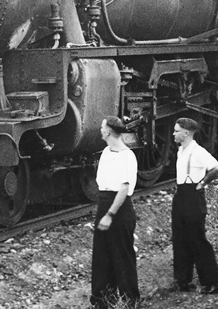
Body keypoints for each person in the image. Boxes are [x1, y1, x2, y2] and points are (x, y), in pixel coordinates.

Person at [171, 117, 218, 294]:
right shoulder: (181, 151)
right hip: (181, 195)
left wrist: (203, 183)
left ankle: (212, 282)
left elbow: (216, 168)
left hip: (193, 196)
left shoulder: (198, 151)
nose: (173, 133)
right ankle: (182, 280)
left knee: (197, 238)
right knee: (180, 238)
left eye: (176, 130)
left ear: (186, 133)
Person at [91, 116, 139, 308]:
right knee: (102, 255)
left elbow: (124, 188)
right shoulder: (105, 152)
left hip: (119, 208)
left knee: (122, 255)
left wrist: (110, 215)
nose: (100, 130)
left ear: (108, 131)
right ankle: (102, 300)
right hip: (104, 202)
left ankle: (129, 301)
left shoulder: (127, 156)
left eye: (102, 127)